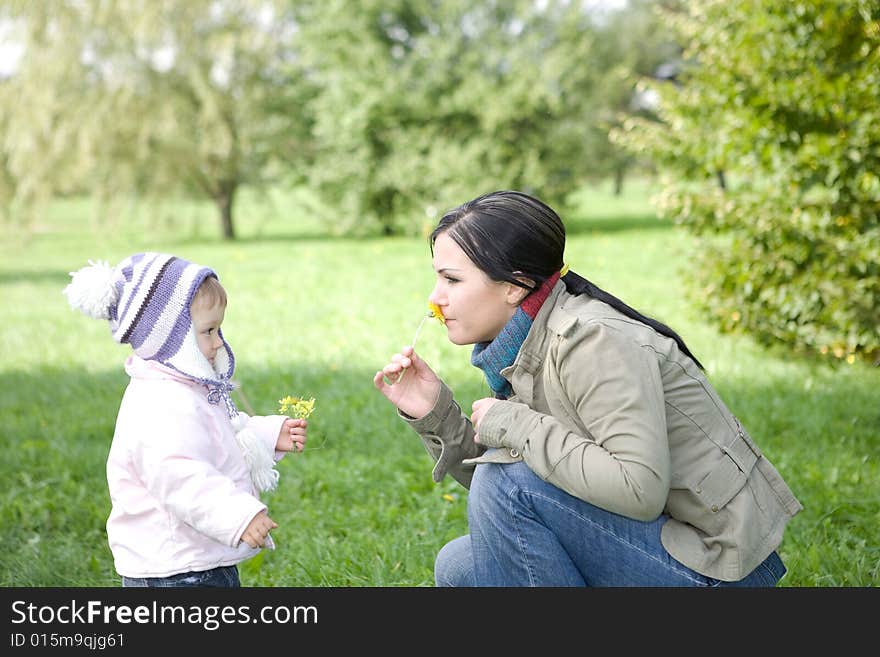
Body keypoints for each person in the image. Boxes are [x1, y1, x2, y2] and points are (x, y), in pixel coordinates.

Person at [374, 190, 802, 587]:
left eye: (452, 280)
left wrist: (515, 423)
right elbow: (516, 497)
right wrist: (435, 413)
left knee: (508, 486)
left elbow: (639, 489)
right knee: (461, 565)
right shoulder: (527, 339)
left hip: (713, 565)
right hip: (658, 541)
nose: (436, 298)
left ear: (513, 285)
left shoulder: (593, 340)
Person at [63, 252, 307, 587]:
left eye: (219, 329)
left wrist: (265, 435)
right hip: (175, 569)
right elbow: (178, 475)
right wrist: (237, 515)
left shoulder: (186, 385)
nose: (218, 342)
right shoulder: (161, 401)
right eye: (208, 331)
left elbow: (213, 439)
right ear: (168, 338)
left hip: (197, 556)